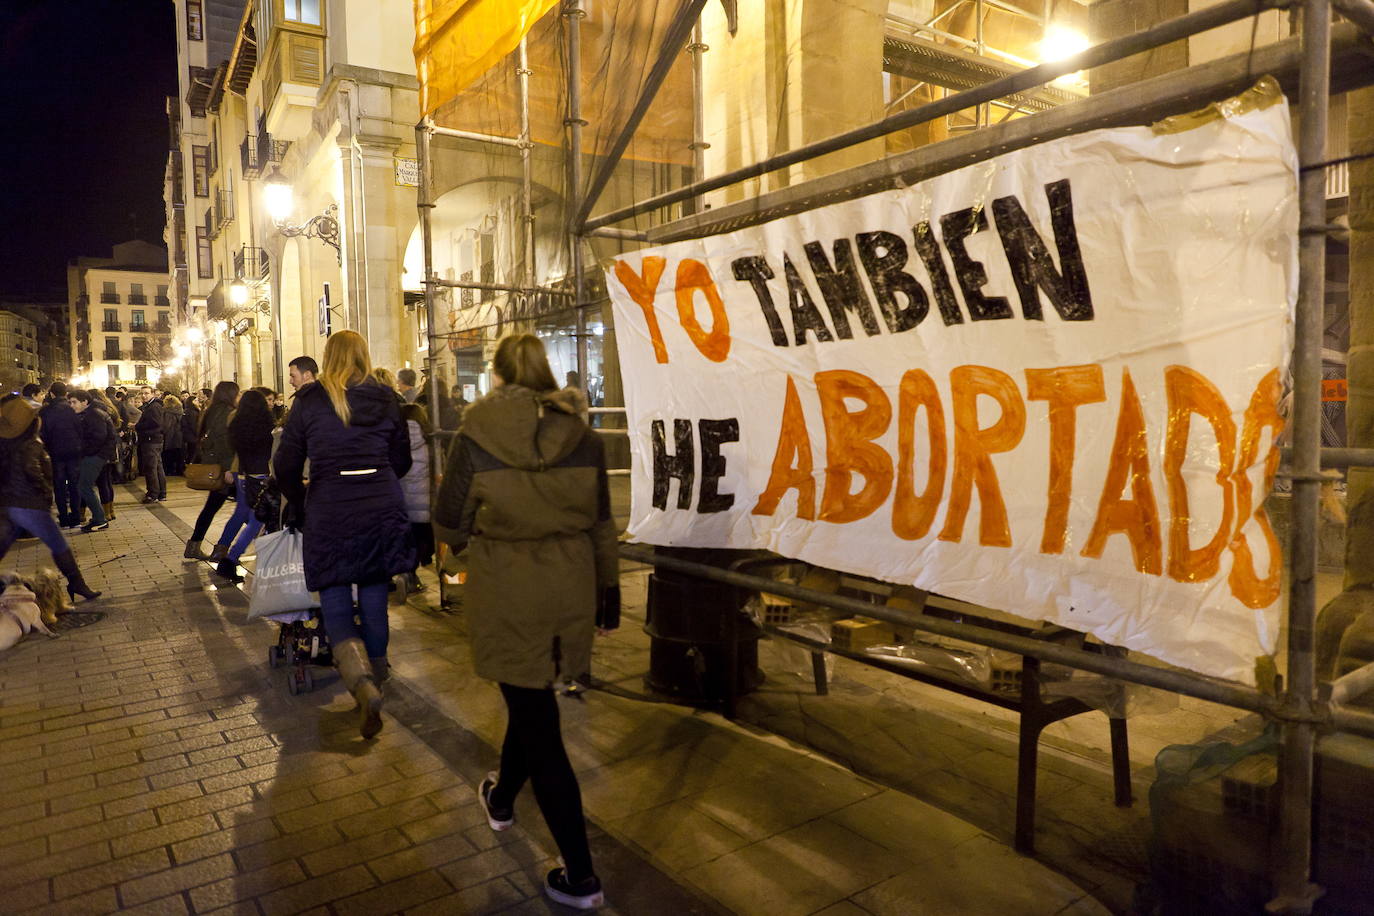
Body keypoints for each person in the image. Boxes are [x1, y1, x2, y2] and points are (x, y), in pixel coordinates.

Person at [433, 334, 618, 911]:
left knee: (539, 723)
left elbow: (448, 521)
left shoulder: (475, 436)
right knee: (533, 699)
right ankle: (502, 797)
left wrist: (474, 548)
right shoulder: (585, 438)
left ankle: (581, 876)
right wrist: (607, 589)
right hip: (570, 586)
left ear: (496, 375)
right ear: (546, 372)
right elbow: (602, 522)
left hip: (509, 586)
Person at [274, 330, 412, 739]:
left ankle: (361, 684)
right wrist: (379, 479)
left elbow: (286, 464)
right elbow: (401, 459)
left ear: (327, 357)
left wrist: (299, 500)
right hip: (379, 505)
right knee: (373, 592)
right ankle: (379, 673)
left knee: (334, 595)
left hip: (330, 504)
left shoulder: (310, 401)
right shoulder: (386, 397)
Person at [0, 396, 100, 601]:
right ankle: (77, 583)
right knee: (58, 544)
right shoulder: (31, 444)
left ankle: (77, 584)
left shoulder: (6, 444)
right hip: (30, 504)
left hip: (7, 503)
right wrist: (46, 494)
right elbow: (34, 472)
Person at [210, 389, 275, 582]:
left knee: (249, 517)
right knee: (256, 521)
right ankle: (230, 559)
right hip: (261, 476)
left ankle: (229, 557)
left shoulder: (237, 425)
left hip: (245, 476)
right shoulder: (265, 425)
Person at [184, 381, 239, 561]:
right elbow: (224, 444)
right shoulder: (225, 413)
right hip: (224, 468)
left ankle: (195, 545)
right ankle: (222, 549)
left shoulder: (211, 410)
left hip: (216, 466)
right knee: (247, 509)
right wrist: (229, 469)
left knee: (212, 508)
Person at [398, 402, 432, 595]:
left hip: (403, 501)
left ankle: (405, 572)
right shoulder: (429, 440)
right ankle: (411, 574)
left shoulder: (397, 440)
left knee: (405, 539)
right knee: (420, 541)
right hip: (424, 503)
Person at [38, 382, 83, 528]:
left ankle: (63, 518)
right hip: (74, 452)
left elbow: (42, 434)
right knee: (75, 485)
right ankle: (76, 517)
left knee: (59, 486)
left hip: (55, 453)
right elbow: (80, 430)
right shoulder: (72, 409)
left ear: (51, 394)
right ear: (65, 393)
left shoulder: (45, 411)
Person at [69, 391, 115, 533]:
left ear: (85, 402)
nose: (71, 405)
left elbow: (98, 438)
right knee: (85, 485)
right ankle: (98, 518)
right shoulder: (90, 413)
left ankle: (100, 519)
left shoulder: (93, 414)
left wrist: (84, 451)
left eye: (74, 402)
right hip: (95, 454)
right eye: (70, 402)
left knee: (84, 486)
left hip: (96, 455)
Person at [88, 390, 120, 520]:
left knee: (100, 482)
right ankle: (110, 511)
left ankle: (105, 513)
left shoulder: (95, 412)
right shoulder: (110, 408)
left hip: (100, 451)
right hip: (110, 450)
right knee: (106, 481)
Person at [134, 389, 167, 502]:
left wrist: (137, 426)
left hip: (151, 440)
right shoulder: (150, 406)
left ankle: (153, 494)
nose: (144, 396)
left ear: (152, 394)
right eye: (142, 393)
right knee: (157, 466)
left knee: (151, 467)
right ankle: (161, 493)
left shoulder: (154, 407)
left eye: (146, 393)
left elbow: (155, 423)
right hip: (153, 440)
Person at [161, 394, 186, 477]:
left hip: (170, 436)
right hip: (179, 435)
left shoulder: (168, 412)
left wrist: (162, 431)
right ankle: (179, 470)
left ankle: (169, 470)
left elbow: (166, 425)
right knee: (178, 454)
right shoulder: (180, 411)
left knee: (168, 454)